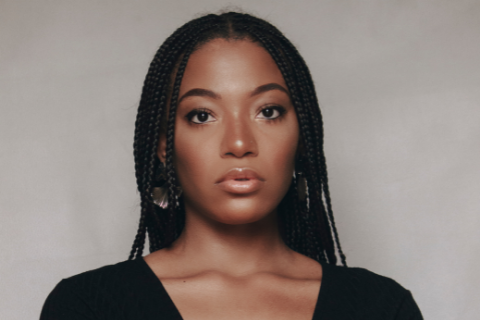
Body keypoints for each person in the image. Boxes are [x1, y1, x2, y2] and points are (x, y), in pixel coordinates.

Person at [40, 12, 423, 320]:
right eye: (202, 115)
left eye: (268, 112)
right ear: (163, 147)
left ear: (301, 135)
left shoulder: (380, 307)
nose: (239, 143)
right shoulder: (88, 307)